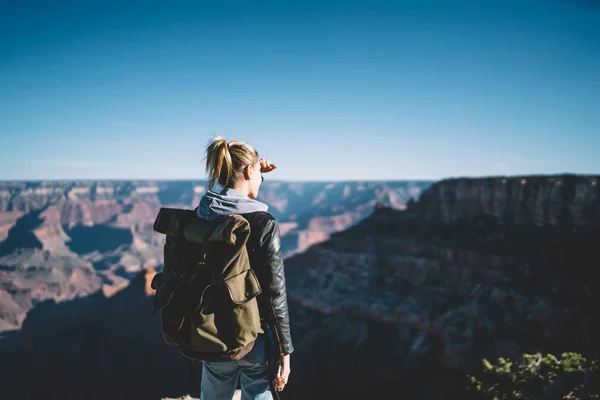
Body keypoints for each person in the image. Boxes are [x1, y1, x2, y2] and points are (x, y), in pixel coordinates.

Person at [197, 136, 294, 400]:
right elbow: (275, 294)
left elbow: (228, 196)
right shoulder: (263, 223)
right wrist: (284, 351)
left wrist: (250, 172)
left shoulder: (204, 214)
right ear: (250, 170)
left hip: (211, 333)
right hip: (253, 340)